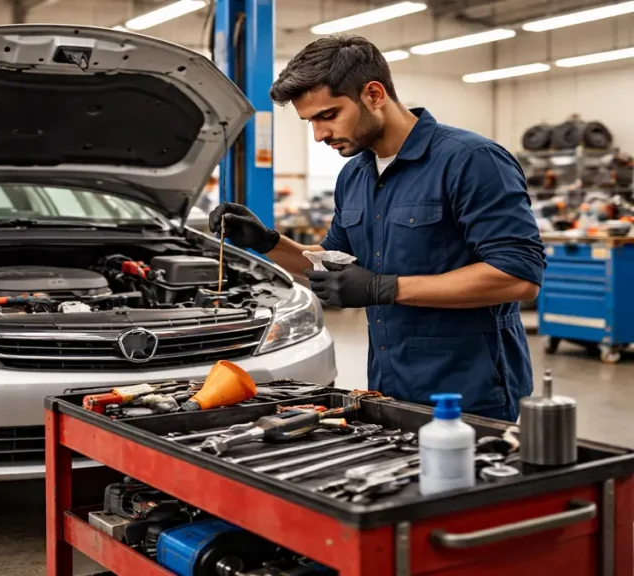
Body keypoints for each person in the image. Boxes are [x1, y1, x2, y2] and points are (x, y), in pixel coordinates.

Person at [209, 34, 545, 421]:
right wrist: (268, 242)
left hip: (470, 390)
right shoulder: (355, 175)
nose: (319, 135)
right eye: (310, 122)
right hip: (389, 384)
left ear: (373, 94)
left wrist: (381, 287)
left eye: (328, 115)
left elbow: (517, 277)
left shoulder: (471, 160)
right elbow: (332, 265)